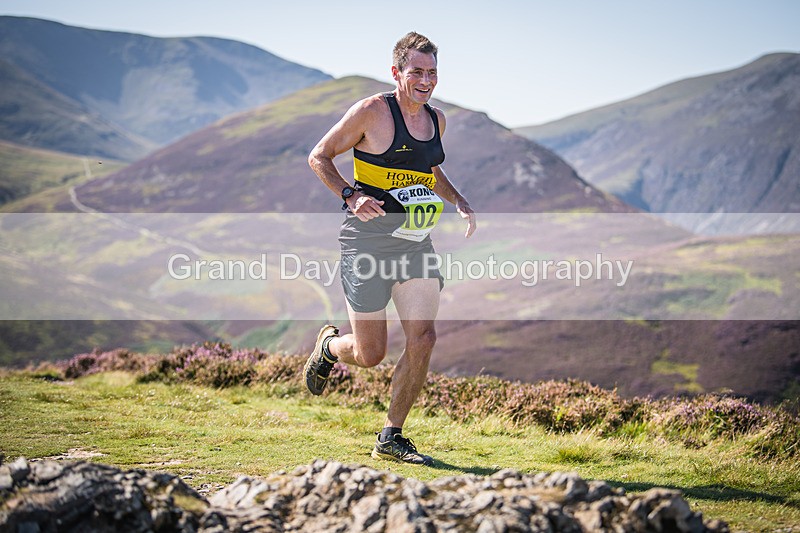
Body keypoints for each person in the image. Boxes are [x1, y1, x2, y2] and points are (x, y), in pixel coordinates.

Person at [304, 31, 476, 466]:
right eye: (416, 71)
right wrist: (350, 195)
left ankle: (392, 435)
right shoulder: (370, 112)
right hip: (367, 242)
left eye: (432, 72)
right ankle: (329, 349)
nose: (426, 80)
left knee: (424, 336)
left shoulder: (437, 121)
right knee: (370, 354)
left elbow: (429, 168)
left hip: (414, 242)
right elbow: (319, 156)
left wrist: (458, 199)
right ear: (396, 72)